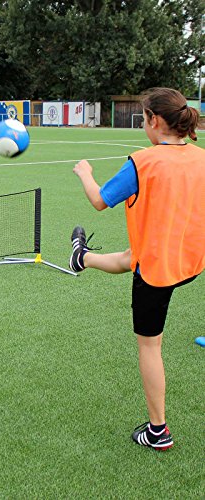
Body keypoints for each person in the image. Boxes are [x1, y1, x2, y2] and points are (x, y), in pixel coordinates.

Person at [69, 87, 205, 451]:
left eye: (143, 118)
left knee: (150, 346)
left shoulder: (143, 162)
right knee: (135, 254)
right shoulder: (201, 157)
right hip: (190, 261)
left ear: (153, 121)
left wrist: (85, 171)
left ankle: (158, 431)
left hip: (158, 271)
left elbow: (99, 201)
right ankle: (82, 258)